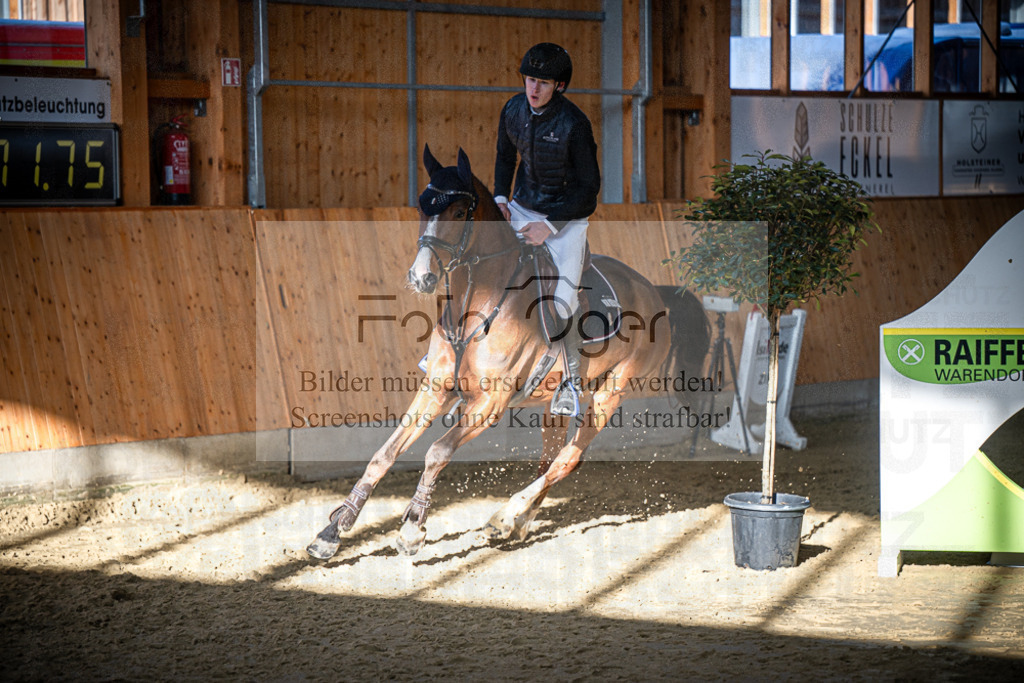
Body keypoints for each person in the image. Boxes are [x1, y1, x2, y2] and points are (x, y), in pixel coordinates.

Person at [494, 42, 601, 416]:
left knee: (562, 301)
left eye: (542, 81)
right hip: (521, 207)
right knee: (482, 262)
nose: (533, 88)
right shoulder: (512, 110)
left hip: (565, 219)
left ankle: (570, 383)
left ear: (560, 86)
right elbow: (506, 158)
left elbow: (589, 192)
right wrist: (500, 200)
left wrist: (550, 227)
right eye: (529, 79)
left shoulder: (574, 124)